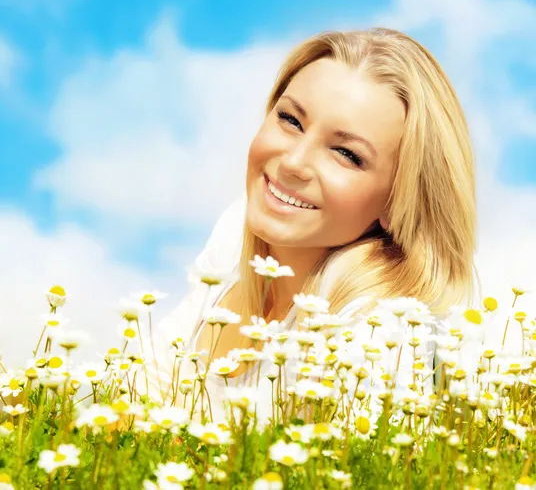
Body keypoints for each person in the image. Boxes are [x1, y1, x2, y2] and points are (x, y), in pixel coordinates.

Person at [146, 27, 478, 424]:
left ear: (399, 202)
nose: (292, 162)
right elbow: (142, 388)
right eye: (290, 120)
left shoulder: (378, 337)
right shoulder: (235, 230)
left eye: (345, 153)